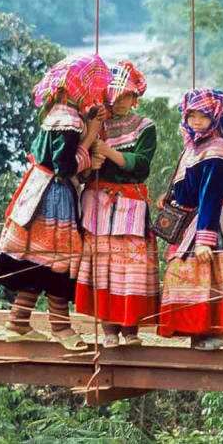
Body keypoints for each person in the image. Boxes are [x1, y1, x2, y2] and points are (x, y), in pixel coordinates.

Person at [0, 54, 111, 351]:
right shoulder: (69, 122)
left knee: (36, 261)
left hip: (38, 191)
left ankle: (18, 322)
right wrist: (90, 137)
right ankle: (61, 327)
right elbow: (65, 167)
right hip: (54, 197)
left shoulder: (55, 114)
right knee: (58, 262)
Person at [74, 60, 159, 347]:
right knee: (104, 267)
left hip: (130, 203)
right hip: (98, 204)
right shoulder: (95, 124)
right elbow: (81, 166)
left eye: (127, 95)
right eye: (117, 95)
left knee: (131, 268)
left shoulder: (145, 127)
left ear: (135, 97)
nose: (122, 101)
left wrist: (107, 152)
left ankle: (131, 328)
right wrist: (92, 162)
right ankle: (109, 329)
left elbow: (141, 165)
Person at [157, 88, 223, 350]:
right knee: (186, 275)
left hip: (206, 221)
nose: (196, 121)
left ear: (215, 117)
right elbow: (189, 182)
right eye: (191, 116)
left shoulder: (217, 150)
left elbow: (210, 195)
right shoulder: (194, 145)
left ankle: (216, 333)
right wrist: (171, 196)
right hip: (190, 218)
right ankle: (196, 334)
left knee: (202, 274)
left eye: (203, 116)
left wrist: (205, 239)